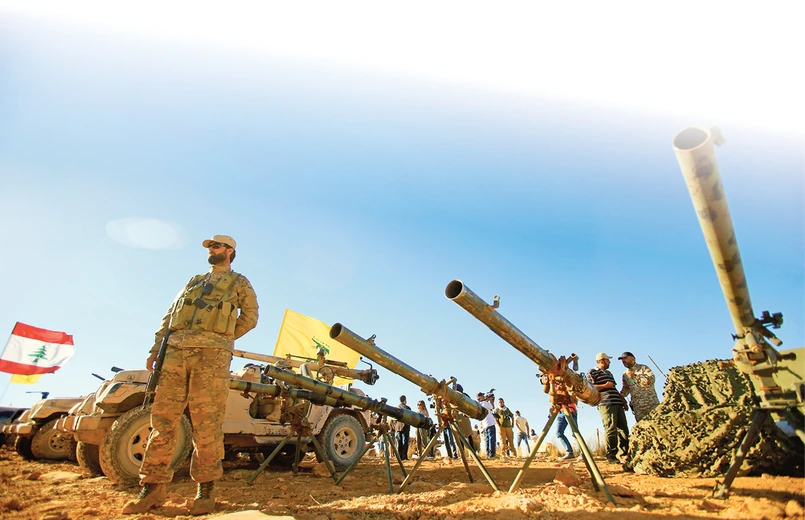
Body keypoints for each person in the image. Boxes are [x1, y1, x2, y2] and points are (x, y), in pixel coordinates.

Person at [123, 235, 259, 516]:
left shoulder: (240, 283)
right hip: (175, 353)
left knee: (206, 423)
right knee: (163, 421)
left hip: (211, 358)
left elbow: (250, 318)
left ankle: (205, 489)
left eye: (217, 246)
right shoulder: (194, 281)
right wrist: (155, 348)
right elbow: (170, 316)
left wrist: (221, 338)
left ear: (230, 251)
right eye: (210, 247)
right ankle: (152, 487)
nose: (211, 250)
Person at [586, 352, 629, 464]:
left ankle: (625, 454)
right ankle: (611, 455)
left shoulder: (609, 373)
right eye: (607, 360)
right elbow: (590, 387)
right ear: (602, 361)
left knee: (623, 429)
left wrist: (623, 400)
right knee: (611, 428)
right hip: (606, 403)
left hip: (617, 402)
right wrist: (605, 386)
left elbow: (613, 388)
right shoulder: (592, 372)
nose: (609, 362)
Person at [618, 351, 660, 422]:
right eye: (622, 359)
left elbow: (651, 380)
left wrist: (635, 377)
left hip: (651, 403)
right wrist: (620, 396)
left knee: (658, 423)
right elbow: (626, 389)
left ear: (632, 358)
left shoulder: (643, 368)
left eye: (625, 358)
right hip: (638, 408)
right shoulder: (625, 375)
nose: (623, 361)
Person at [477, 392, 497, 458]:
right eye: (482, 395)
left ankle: (488, 453)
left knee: (488, 440)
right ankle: (492, 454)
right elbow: (492, 407)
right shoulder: (484, 403)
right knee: (492, 439)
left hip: (485, 424)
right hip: (490, 423)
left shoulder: (479, 404)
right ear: (480, 397)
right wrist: (491, 400)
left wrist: (487, 399)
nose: (484, 396)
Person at [395, 395, 411, 461]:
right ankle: (404, 456)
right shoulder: (407, 408)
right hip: (405, 426)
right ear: (405, 400)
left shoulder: (396, 408)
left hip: (398, 427)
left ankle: (399, 456)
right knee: (405, 442)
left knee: (399, 442)